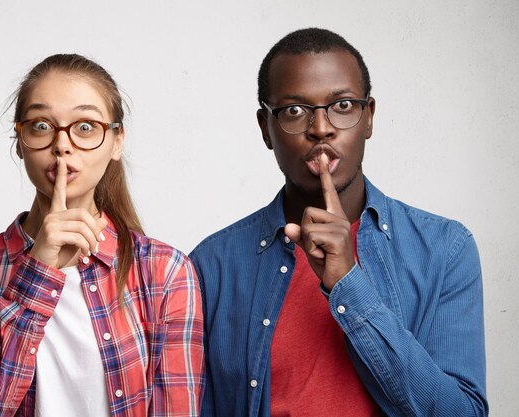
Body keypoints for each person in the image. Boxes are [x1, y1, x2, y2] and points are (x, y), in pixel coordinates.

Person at [190, 28, 487, 417]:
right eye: (294, 110)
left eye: (343, 105)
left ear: (369, 118)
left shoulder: (446, 249)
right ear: (266, 128)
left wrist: (349, 285)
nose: (321, 128)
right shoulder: (211, 265)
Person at [0, 54, 204, 417]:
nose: (62, 145)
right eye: (41, 125)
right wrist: (38, 273)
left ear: (116, 141)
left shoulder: (164, 272)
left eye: (86, 126)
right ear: (19, 140)